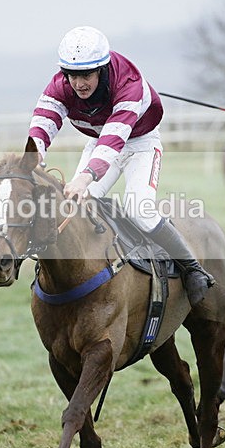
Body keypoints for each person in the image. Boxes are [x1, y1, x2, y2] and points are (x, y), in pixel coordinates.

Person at [28, 26, 214, 306]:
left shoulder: (128, 82)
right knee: (74, 205)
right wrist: (32, 160)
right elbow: (43, 122)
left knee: (139, 209)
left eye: (86, 74)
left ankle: (193, 269)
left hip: (140, 142)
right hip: (101, 141)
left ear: (102, 69)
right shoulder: (60, 86)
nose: (79, 83)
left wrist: (85, 178)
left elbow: (115, 138)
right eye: (73, 75)